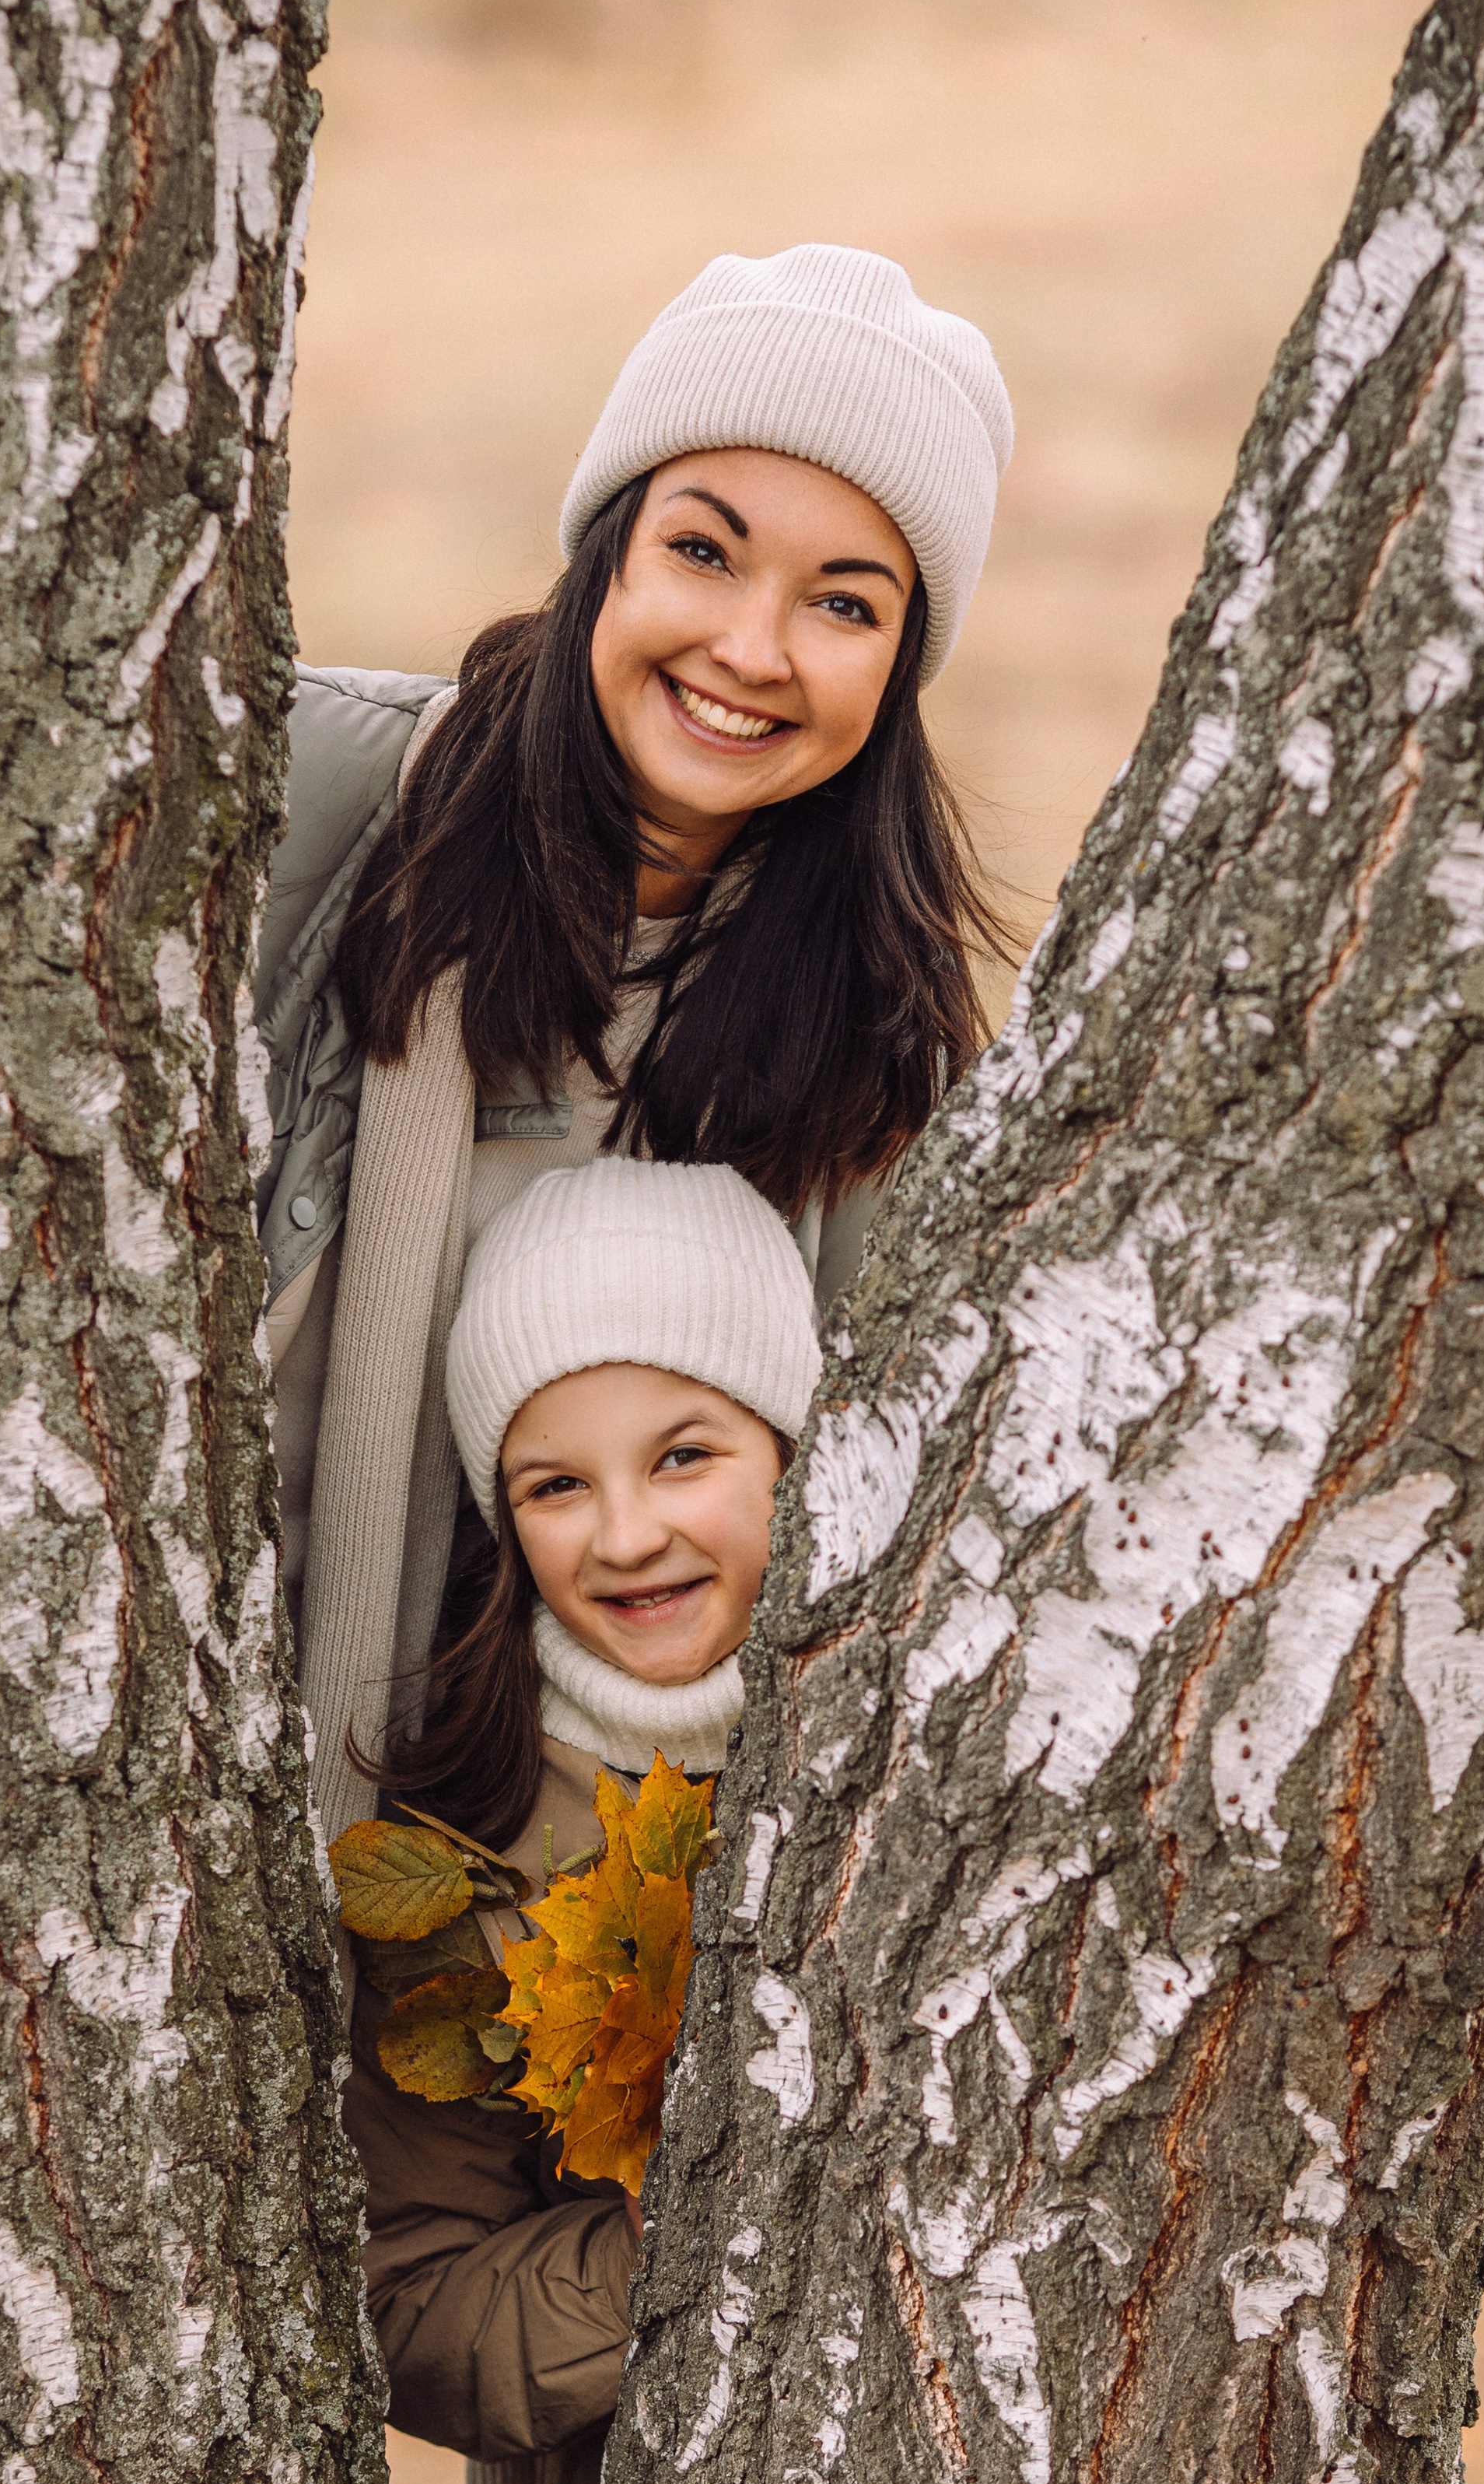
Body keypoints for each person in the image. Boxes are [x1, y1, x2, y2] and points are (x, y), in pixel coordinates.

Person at [254, 242, 1013, 1863]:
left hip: (535, 1879)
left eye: (842, 602)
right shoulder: (310, 798)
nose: (751, 647)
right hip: (187, 1770)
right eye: (703, 551)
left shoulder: (874, 1041)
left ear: (894, 669)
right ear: (605, 552)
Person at [342, 1158, 824, 2484]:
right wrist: (692, 2241)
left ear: (792, 1443)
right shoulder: (478, 1857)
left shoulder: (934, 1745)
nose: (624, 1537)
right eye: (558, 1484)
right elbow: (409, 2306)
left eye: (684, 1456)